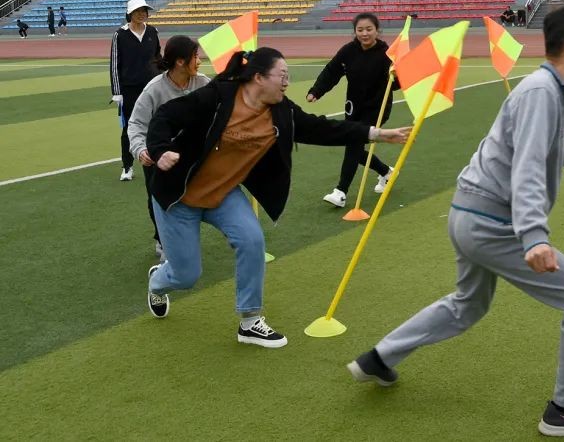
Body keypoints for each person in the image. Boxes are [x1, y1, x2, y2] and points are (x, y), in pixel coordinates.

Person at [346, 6, 564, 439]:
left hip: (470, 214)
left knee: (468, 304)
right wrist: (533, 237)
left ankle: (378, 358)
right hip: (491, 221)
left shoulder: (557, 97)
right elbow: (525, 168)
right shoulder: (541, 94)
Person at [144, 47, 411, 348]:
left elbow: (321, 128)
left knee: (252, 240)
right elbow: (166, 115)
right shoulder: (219, 96)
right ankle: (158, 281)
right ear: (258, 77)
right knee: (186, 276)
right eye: (282, 76)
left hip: (223, 195)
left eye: (288, 76)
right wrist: (160, 149)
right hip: (179, 195)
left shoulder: (282, 110)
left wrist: (375, 134)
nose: (287, 82)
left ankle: (249, 321)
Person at [127, 36, 211, 261]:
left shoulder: (203, 83)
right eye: (195, 56)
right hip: (157, 155)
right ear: (181, 61)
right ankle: (163, 240)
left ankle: (184, 236)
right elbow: (136, 123)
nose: (200, 60)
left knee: (191, 196)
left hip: (189, 154)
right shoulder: (154, 89)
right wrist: (141, 150)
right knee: (159, 199)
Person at [307, 12, 400, 207]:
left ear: (377, 30)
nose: (364, 33)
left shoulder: (387, 54)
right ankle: (386, 172)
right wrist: (316, 91)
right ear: (355, 31)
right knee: (355, 147)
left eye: (369, 29)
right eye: (360, 30)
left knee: (353, 142)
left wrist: (396, 75)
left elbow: (396, 84)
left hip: (376, 108)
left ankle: (340, 192)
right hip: (353, 107)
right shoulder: (348, 51)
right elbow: (332, 71)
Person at [110, 0, 162, 182]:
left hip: (152, 88)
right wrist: (117, 92)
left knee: (156, 125)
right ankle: (127, 165)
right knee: (129, 128)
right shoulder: (120, 35)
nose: (142, 14)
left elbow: (158, 59)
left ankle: (156, 160)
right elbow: (114, 65)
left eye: (144, 11)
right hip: (129, 89)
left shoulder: (153, 32)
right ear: (130, 13)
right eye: (138, 11)